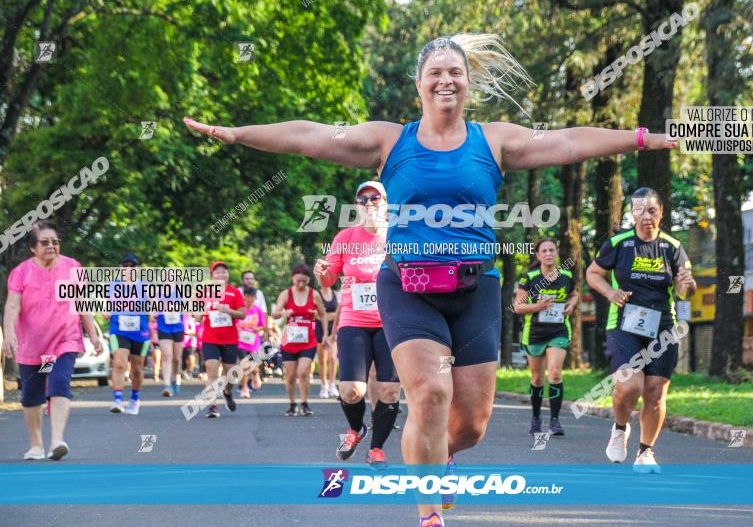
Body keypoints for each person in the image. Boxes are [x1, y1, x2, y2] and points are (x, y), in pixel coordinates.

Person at [184, 33, 674, 526]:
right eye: (435, 72)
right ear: (418, 84)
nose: (445, 79)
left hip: (476, 288)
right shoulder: (390, 140)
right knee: (430, 394)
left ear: (468, 82)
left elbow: (569, 142)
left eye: (454, 72)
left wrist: (640, 138)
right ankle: (429, 515)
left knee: (470, 426)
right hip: (406, 287)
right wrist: (239, 132)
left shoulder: (494, 140)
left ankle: (433, 450)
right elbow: (310, 137)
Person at [586, 188, 695, 473]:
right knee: (629, 386)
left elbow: (686, 291)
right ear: (632, 214)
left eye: (652, 211)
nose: (646, 217)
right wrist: (610, 292)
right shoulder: (619, 243)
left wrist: (685, 284)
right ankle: (620, 428)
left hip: (663, 327)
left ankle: (646, 452)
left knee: (655, 392)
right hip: (625, 324)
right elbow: (592, 273)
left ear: (661, 213)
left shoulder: (673, 247)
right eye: (640, 211)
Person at [315, 181, 401, 467]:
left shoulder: (399, 236)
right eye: (362, 199)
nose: (368, 203)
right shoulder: (345, 237)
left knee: (388, 390)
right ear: (356, 206)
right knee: (351, 390)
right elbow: (328, 280)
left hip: (392, 322)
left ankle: (377, 448)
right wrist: (322, 274)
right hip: (354, 320)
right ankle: (356, 429)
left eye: (375, 198)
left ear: (386, 203)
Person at [2, 220, 104, 460]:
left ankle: (57, 440)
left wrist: (94, 335)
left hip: (64, 341)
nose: (51, 246)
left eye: (55, 242)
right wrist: (9, 334)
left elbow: (83, 306)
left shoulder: (73, 267)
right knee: (32, 395)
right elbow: (13, 306)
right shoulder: (21, 273)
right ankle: (36, 444)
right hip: (33, 346)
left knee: (59, 383)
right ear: (32, 248)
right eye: (45, 242)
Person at [514, 239, 578, 437]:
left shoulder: (566, 275)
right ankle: (536, 418)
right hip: (535, 333)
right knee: (537, 378)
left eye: (552, 250)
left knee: (555, 374)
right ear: (538, 255)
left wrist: (571, 305)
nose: (548, 254)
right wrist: (538, 307)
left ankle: (555, 421)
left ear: (557, 253)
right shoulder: (530, 277)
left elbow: (575, 294)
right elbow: (518, 307)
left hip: (559, 331)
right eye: (544, 251)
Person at [272, 264, 328, 417]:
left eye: (304, 281)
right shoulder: (286, 294)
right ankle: (292, 404)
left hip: (308, 340)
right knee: (290, 376)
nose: (301, 284)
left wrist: (325, 334)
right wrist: (284, 312)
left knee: (303, 372)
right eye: (298, 281)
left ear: (309, 279)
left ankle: (304, 403)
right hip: (289, 341)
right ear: (293, 278)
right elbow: (274, 314)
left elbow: (323, 314)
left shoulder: (314, 294)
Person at [200, 261, 246, 418]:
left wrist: (229, 310)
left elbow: (243, 314)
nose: (221, 274)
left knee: (232, 375)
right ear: (212, 275)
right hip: (209, 338)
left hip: (229, 339)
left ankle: (227, 391)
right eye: (217, 272)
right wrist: (200, 314)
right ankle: (212, 406)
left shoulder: (235, 293)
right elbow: (196, 315)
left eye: (224, 272)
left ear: (228, 275)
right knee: (211, 371)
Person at [106, 253, 150, 416]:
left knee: (137, 369)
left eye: (133, 266)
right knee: (119, 363)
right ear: (121, 268)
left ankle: (134, 399)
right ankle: (117, 399)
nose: (129, 269)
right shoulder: (113, 285)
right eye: (126, 266)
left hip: (140, 331)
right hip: (119, 329)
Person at [237, 288, 266, 398]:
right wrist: (237, 329)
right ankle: (244, 388)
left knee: (253, 366)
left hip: (254, 342)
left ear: (255, 298)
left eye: (251, 297)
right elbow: (234, 322)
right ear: (244, 297)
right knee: (244, 365)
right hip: (241, 341)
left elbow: (262, 324)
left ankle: (255, 373)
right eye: (247, 296)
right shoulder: (240, 310)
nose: (249, 299)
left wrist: (257, 329)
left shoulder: (257, 310)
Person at [315, 280, 340, 399]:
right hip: (320, 328)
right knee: (322, 359)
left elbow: (340, 312)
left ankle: (332, 384)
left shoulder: (336, 294)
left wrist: (327, 315)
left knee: (332, 358)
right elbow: (317, 314)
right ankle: (323, 384)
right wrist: (329, 315)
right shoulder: (316, 294)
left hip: (334, 329)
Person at [157, 308, 186, 396]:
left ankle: (174, 379)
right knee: (167, 356)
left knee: (177, 359)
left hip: (178, 328)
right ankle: (167, 385)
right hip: (163, 327)